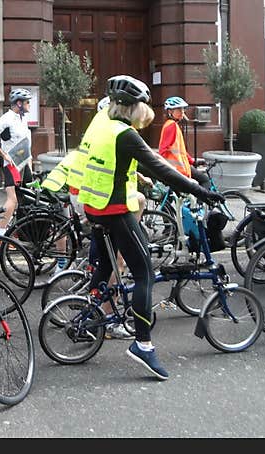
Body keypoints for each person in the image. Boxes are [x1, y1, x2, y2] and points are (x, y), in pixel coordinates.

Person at [77, 75, 224, 380]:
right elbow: (158, 165)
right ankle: (143, 344)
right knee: (145, 273)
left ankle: (88, 316)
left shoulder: (101, 123)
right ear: (133, 108)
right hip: (115, 209)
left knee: (104, 267)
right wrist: (200, 190)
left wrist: (157, 178)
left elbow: (142, 164)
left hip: (94, 207)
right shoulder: (125, 134)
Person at [0, 88, 33, 238]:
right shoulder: (7, 118)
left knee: (23, 199)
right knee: (12, 199)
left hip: (23, 164)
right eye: (27, 102)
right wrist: (3, 154)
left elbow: (25, 144)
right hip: (11, 165)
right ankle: (0, 235)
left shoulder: (22, 118)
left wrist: (29, 166)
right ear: (18, 103)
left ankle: (16, 233)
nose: (29, 105)